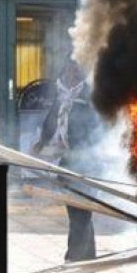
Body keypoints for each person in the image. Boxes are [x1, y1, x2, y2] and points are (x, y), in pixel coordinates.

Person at [33, 60, 100, 262]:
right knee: (78, 213)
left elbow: (94, 129)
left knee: (81, 212)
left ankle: (74, 258)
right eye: (69, 68)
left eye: (77, 69)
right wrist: (42, 143)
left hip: (87, 163)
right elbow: (52, 120)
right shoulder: (63, 94)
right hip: (69, 162)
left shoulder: (89, 95)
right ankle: (85, 261)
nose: (72, 73)